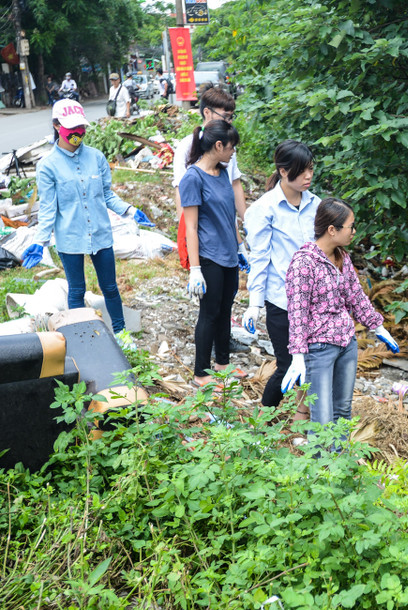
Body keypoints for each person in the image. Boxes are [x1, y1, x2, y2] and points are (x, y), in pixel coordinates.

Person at [21, 100, 154, 340]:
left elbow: (106, 194)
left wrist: (131, 211)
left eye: (81, 127)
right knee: (77, 290)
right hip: (70, 237)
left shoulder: (96, 157)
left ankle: (121, 335)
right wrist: (40, 242)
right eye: (71, 128)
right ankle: (81, 338)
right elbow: (49, 208)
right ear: (56, 125)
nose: (77, 133)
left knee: (110, 288)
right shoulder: (47, 166)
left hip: (101, 233)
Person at [282, 198, 399, 431]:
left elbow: (356, 295)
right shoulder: (304, 263)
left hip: (347, 342)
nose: (354, 232)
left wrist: (377, 326)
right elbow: (297, 312)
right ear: (332, 230)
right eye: (350, 226)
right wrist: (297, 355)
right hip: (320, 349)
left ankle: (340, 463)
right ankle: (322, 466)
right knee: (322, 417)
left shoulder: (342, 258)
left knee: (343, 410)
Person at [242, 141, 321, 417]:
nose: (309, 176)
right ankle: (261, 423)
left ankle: (301, 418)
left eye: (311, 169)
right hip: (282, 300)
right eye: (302, 171)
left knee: (310, 363)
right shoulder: (264, 209)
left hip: (313, 300)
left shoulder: (316, 205)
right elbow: (260, 258)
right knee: (287, 363)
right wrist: (255, 303)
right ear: (283, 171)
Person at [179, 119, 249, 387]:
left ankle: (222, 364)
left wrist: (239, 245)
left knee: (225, 310)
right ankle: (201, 373)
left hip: (229, 253)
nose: (234, 152)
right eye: (231, 147)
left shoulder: (223, 172)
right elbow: (191, 227)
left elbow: (229, 214)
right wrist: (195, 269)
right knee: (209, 313)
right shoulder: (193, 178)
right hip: (209, 257)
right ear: (218, 145)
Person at [172, 87, 246, 230]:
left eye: (231, 117)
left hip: (227, 227)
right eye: (225, 116)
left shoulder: (229, 146)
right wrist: (186, 235)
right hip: (203, 230)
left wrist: (247, 223)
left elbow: (235, 184)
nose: (229, 121)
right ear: (207, 112)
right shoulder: (186, 147)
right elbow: (181, 192)